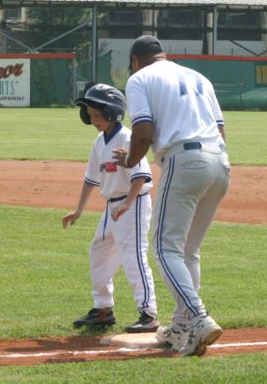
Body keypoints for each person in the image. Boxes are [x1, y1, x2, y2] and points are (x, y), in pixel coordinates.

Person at [113, 36, 231, 355]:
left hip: (184, 159)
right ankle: (181, 327)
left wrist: (130, 159)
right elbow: (221, 131)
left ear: (136, 60)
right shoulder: (199, 77)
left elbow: (143, 130)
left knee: (165, 248)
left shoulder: (140, 79)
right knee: (188, 251)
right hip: (220, 162)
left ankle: (197, 317)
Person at [62, 83, 159, 333]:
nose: (93, 119)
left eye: (97, 114)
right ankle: (103, 309)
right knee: (99, 253)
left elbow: (142, 175)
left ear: (112, 112)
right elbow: (90, 178)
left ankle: (148, 313)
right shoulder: (99, 141)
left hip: (133, 203)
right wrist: (79, 210)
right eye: (90, 115)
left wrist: (127, 203)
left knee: (133, 256)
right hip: (112, 207)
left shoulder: (127, 137)